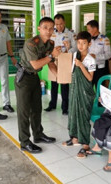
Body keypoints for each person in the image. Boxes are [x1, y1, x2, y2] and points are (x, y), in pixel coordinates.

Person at [15, 17, 60, 153]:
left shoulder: (50, 44)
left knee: (36, 109)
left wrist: (59, 76)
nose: (48, 31)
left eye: (51, 28)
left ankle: (38, 135)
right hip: (24, 78)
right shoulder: (31, 43)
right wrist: (52, 56)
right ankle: (24, 142)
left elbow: (50, 63)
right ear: (39, 29)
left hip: (35, 78)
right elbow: (35, 64)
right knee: (24, 112)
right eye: (45, 27)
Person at [62, 31, 96, 158]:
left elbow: (90, 78)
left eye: (84, 43)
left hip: (85, 93)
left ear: (89, 44)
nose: (81, 45)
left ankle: (86, 145)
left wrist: (81, 65)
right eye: (79, 43)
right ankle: (75, 138)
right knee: (73, 113)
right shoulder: (75, 55)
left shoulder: (90, 59)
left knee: (83, 117)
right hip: (74, 90)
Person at [44, 13, 77, 115]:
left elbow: (75, 48)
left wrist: (67, 50)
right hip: (53, 60)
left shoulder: (71, 34)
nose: (59, 26)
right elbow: (47, 46)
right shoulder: (51, 33)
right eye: (57, 24)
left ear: (64, 23)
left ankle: (65, 107)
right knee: (54, 83)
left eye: (61, 24)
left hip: (65, 60)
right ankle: (52, 104)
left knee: (64, 84)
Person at [86, 20, 111, 89]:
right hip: (90, 68)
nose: (88, 31)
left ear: (95, 29)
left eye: (89, 29)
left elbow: (108, 55)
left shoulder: (105, 39)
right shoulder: (88, 39)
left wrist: (96, 56)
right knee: (88, 89)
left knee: (100, 90)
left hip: (100, 69)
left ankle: (99, 100)